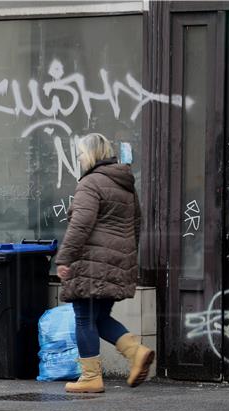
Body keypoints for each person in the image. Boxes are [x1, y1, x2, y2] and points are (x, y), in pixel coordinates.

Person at [54, 133, 154, 393]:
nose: (78, 159)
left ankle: (90, 378)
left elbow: (80, 224)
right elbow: (136, 223)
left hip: (90, 261)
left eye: (80, 154)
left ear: (90, 154)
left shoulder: (90, 183)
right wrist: (125, 258)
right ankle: (136, 352)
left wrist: (64, 258)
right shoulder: (125, 185)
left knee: (84, 318)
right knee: (99, 316)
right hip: (115, 262)